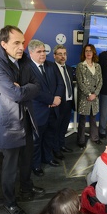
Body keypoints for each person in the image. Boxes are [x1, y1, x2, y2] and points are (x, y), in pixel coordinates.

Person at [0, 25, 44, 214]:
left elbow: (37, 85)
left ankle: (26, 189)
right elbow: (15, 93)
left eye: (23, 42)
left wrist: (23, 88)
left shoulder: (25, 61)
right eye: (16, 43)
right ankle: (9, 202)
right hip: (9, 126)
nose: (22, 47)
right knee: (10, 167)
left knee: (27, 160)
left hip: (27, 120)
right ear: (3, 44)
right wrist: (22, 90)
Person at [28, 39, 64, 176]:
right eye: (39, 52)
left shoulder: (51, 65)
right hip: (38, 111)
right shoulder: (27, 68)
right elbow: (32, 90)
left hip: (54, 109)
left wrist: (58, 98)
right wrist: (51, 99)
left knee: (50, 136)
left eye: (44, 51)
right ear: (31, 53)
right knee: (36, 141)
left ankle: (48, 158)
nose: (43, 54)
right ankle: (36, 165)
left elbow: (60, 83)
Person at [75, 44, 102, 148]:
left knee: (93, 119)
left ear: (93, 52)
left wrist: (95, 94)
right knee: (82, 120)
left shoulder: (98, 66)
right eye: (86, 51)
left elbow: (100, 82)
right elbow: (80, 83)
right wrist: (89, 94)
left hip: (95, 97)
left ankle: (95, 137)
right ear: (84, 53)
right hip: (84, 97)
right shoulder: (80, 66)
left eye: (90, 51)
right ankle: (81, 140)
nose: (88, 52)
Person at [53, 45, 74, 157]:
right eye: (60, 54)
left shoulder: (69, 69)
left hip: (68, 102)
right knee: (56, 128)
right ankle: (55, 149)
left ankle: (62, 145)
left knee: (64, 126)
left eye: (64, 54)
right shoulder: (51, 68)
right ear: (54, 56)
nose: (63, 56)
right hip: (58, 104)